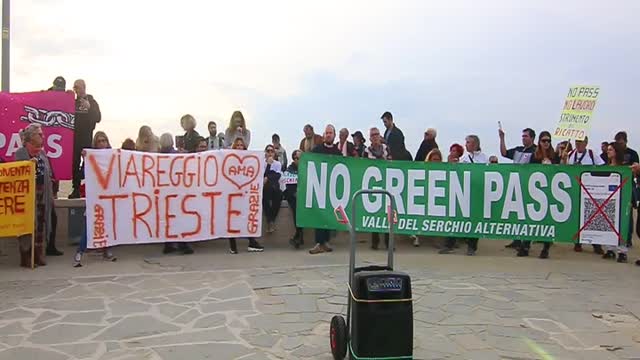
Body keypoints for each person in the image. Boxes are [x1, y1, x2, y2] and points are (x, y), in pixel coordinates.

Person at [73, 132, 118, 267]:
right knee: (90, 224)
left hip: (108, 197)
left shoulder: (113, 157)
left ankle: (107, 250)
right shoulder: (90, 157)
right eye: (99, 141)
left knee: (108, 223)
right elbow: (82, 174)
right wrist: (84, 159)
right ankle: (80, 251)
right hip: (95, 197)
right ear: (95, 143)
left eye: (104, 140)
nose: (102, 143)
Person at [15, 124, 54, 267]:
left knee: (40, 224)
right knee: (28, 225)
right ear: (31, 137)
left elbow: (48, 174)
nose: (42, 137)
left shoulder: (42, 154)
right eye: (39, 134)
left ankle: (38, 253)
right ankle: (26, 255)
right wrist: (27, 165)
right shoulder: (21, 153)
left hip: (42, 193)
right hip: (27, 195)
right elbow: (18, 173)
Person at [519, 131, 558, 258]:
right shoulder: (534, 156)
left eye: (549, 141)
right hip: (535, 191)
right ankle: (526, 245)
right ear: (540, 142)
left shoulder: (554, 155)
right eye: (544, 141)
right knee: (531, 219)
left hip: (549, 191)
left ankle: (546, 248)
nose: (546, 143)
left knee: (547, 221)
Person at [564, 137, 605, 254]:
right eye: (576, 142)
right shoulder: (570, 154)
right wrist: (563, 159)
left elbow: (602, 166)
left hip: (590, 191)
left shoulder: (592, 154)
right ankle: (578, 242)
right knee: (577, 217)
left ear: (586, 143)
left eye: (581, 142)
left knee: (592, 218)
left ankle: (596, 244)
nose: (578, 144)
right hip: (575, 190)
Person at [499, 127, 536, 249]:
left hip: (528, 185)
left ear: (532, 138)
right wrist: (502, 138)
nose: (523, 138)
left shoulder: (535, 151)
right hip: (516, 184)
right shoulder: (518, 149)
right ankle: (516, 239)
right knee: (515, 214)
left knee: (527, 215)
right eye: (523, 136)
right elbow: (504, 153)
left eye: (526, 136)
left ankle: (526, 241)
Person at [161, 135, 196, 256]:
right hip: (176, 191)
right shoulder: (176, 154)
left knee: (168, 219)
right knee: (179, 218)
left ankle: (168, 244)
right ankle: (182, 244)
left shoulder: (157, 155)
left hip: (164, 191)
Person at [309, 125, 342, 254]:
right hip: (319, 188)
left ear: (334, 135)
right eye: (327, 133)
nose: (328, 135)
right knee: (319, 216)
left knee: (329, 215)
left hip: (331, 190)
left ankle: (326, 242)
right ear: (324, 135)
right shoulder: (317, 150)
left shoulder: (337, 153)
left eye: (331, 133)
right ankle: (319, 242)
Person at [228, 137, 264, 254]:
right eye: (237, 145)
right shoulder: (229, 159)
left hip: (245, 193)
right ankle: (232, 245)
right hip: (232, 193)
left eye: (241, 145)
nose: (239, 147)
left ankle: (252, 242)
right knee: (232, 219)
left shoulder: (249, 159)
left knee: (247, 217)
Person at [69, 79, 101, 198]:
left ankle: (90, 187)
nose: (76, 89)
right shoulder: (72, 102)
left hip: (86, 137)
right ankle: (76, 189)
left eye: (78, 87)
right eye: (74, 87)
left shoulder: (92, 101)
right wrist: (65, 95)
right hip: (74, 137)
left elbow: (98, 118)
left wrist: (89, 108)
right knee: (74, 163)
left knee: (88, 163)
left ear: (84, 87)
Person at [362, 127, 392, 250]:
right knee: (373, 213)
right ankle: (375, 242)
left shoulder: (386, 149)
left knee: (387, 213)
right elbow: (363, 165)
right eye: (372, 135)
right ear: (369, 137)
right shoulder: (366, 151)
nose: (375, 137)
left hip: (385, 183)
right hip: (373, 184)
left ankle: (388, 242)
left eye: (377, 134)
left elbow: (391, 163)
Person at [460, 135, 488, 255]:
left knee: (475, 220)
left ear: (476, 144)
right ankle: (450, 244)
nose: (466, 144)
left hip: (478, 192)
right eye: (466, 142)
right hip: (465, 192)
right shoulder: (464, 158)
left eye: (469, 142)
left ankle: (472, 246)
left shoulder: (484, 158)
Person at [602, 142, 628, 263]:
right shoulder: (606, 166)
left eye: (611, 150)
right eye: (608, 150)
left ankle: (622, 251)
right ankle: (609, 249)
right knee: (608, 224)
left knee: (621, 225)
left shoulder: (624, 168)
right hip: (609, 199)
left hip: (621, 199)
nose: (608, 152)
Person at [614, 131, 638, 248]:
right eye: (618, 143)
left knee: (628, 213)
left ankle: (627, 238)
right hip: (615, 185)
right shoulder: (616, 153)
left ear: (626, 141)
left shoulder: (632, 153)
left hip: (628, 184)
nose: (620, 145)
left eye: (621, 143)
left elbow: (635, 168)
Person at [284, 150, 303, 248]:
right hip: (293, 196)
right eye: (298, 158)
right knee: (297, 209)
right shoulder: (289, 170)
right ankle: (299, 236)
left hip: (303, 196)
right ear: (294, 159)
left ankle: (298, 236)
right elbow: (288, 187)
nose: (300, 160)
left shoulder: (306, 168)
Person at [263, 144, 283, 233]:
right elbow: (262, 176)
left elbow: (277, 176)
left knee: (279, 196)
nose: (270, 153)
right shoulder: (262, 163)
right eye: (268, 151)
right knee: (265, 198)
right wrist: (268, 165)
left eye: (272, 151)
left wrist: (268, 177)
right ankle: (270, 221)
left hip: (274, 187)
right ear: (265, 153)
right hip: (265, 188)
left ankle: (271, 220)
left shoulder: (277, 163)